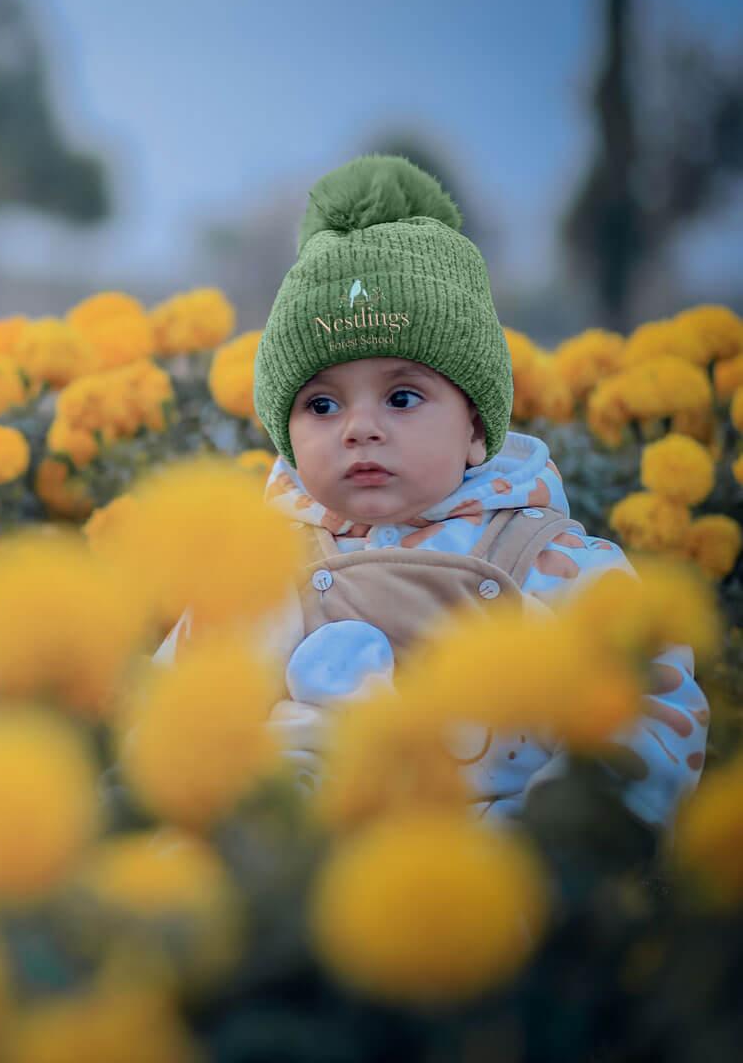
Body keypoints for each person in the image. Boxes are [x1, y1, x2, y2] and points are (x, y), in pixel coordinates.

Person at [157, 154, 709, 830]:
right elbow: (176, 710)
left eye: (401, 396)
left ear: (475, 427)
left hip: (507, 866)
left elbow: (652, 712)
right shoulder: (262, 565)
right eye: (322, 406)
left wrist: (566, 833)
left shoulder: (549, 560)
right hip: (301, 866)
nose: (359, 428)